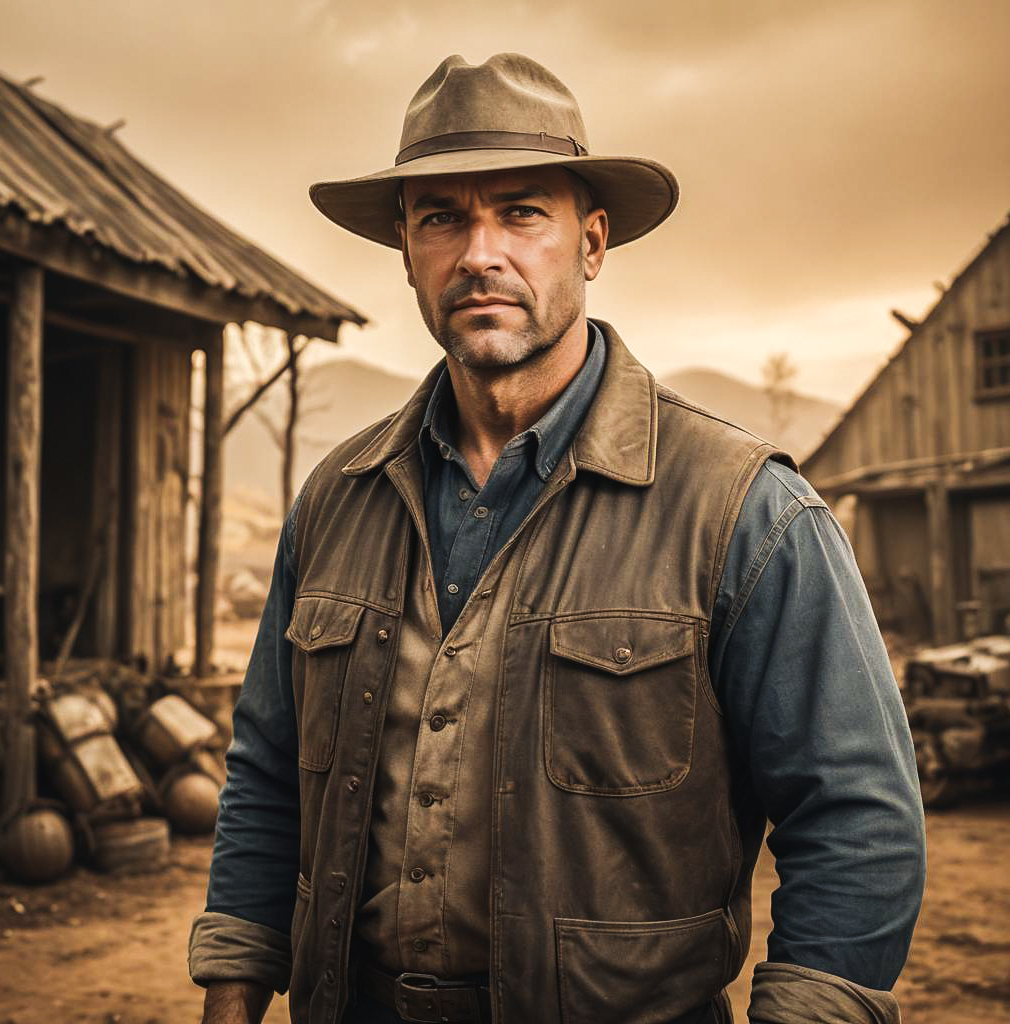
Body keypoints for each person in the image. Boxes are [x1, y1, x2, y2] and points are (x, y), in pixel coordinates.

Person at [189, 53, 925, 1024]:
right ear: (406, 250)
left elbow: (856, 816)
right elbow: (269, 764)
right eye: (440, 215)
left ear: (591, 242)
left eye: (521, 211)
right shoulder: (336, 499)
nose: (478, 252)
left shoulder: (740, 508)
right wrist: (235, 987)